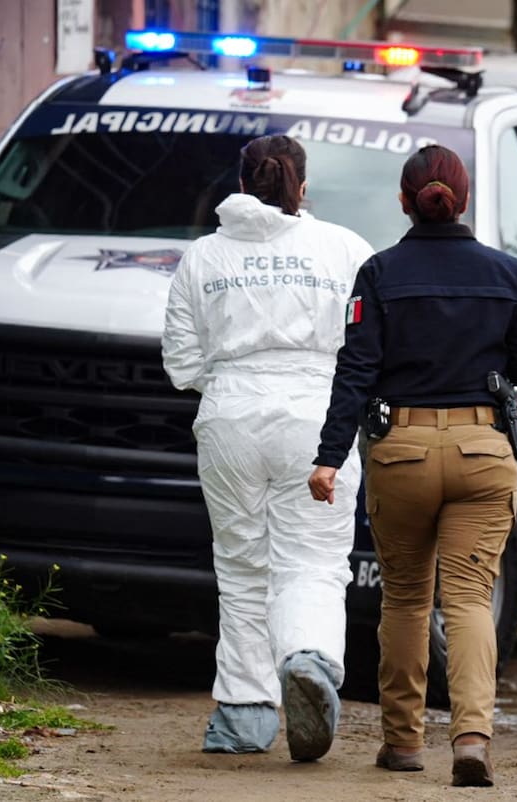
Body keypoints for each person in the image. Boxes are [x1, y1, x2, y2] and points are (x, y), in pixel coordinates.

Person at [308, 144, 517, 787]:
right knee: (470, 600)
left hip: (403, 451)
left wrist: (330, 457)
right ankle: (471, 739)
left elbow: (356, 370)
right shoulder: (506, 273)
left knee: (407, 600)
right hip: (482, 451)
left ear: (404, 201)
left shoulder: (380, 274)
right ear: (463, 198)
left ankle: (403, 742)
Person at [162, 135, 373, 761]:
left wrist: (232, 384)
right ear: (301, 187)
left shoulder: (202, 257)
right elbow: (367, 348)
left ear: (242, 182)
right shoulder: (345, 249)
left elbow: (180, 362)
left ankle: (245, 715)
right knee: (311, 561)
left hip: (229, 416)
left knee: (242, 567)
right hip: (318, 418)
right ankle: (306, 657)